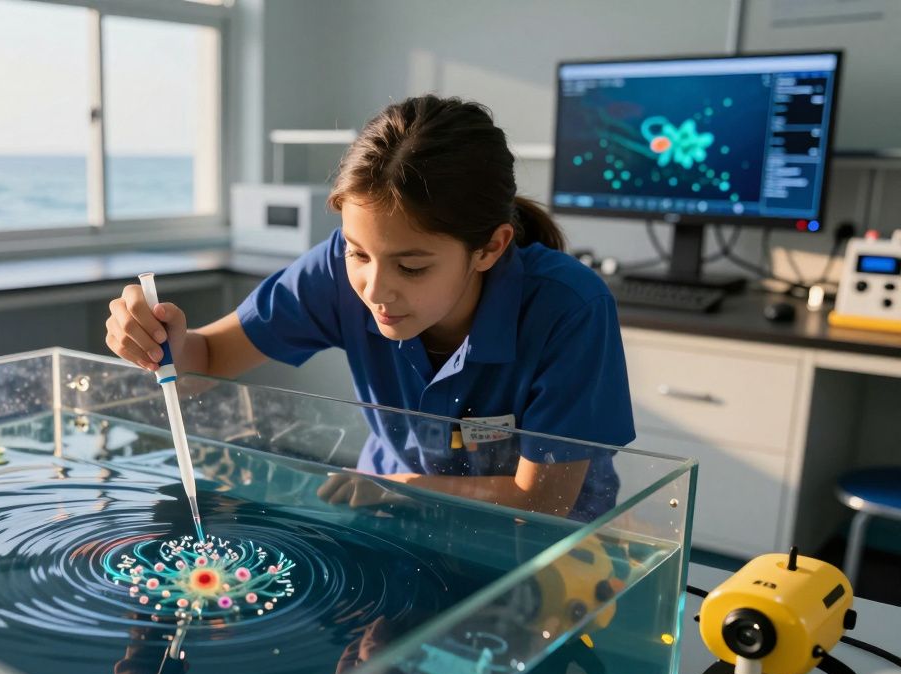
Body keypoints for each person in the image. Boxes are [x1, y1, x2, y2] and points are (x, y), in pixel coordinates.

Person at [106, 95, 633, 521]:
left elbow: (542, 500)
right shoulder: (335, 272)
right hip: (391, 515)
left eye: (412, 267)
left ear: (490, 248)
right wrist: (164, 341)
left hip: (537, 546)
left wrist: (400, 488)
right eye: (358, 252)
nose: (374, 290)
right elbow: (210, 359)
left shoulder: (571, 308)